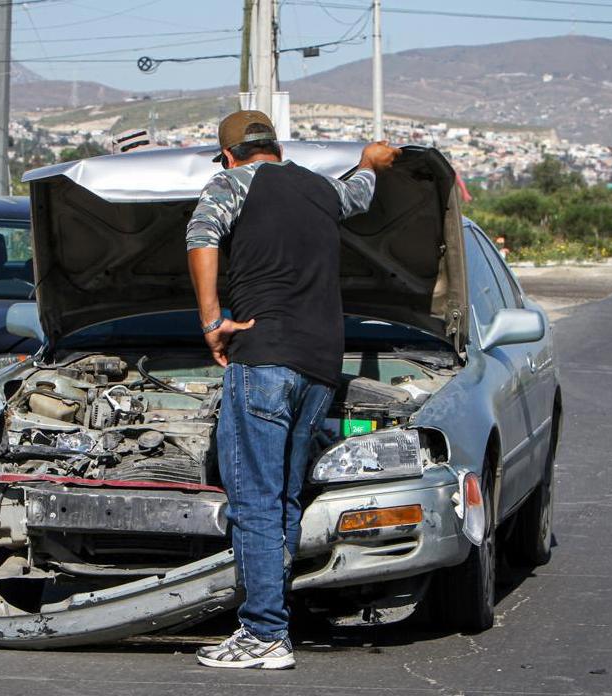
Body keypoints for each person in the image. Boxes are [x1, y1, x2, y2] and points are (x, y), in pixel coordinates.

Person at [186, 110, 399, 669]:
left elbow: (202, 235)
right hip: (321, 366)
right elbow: (359, 193)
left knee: (252, 498)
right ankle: (276, 618)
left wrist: (212, 321)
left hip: (263, 358)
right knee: (282, 496)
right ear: (275, 149)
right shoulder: (320, 190)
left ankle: (263, 633)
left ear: (230, 155)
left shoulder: (232, 182)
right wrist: (370, 161)